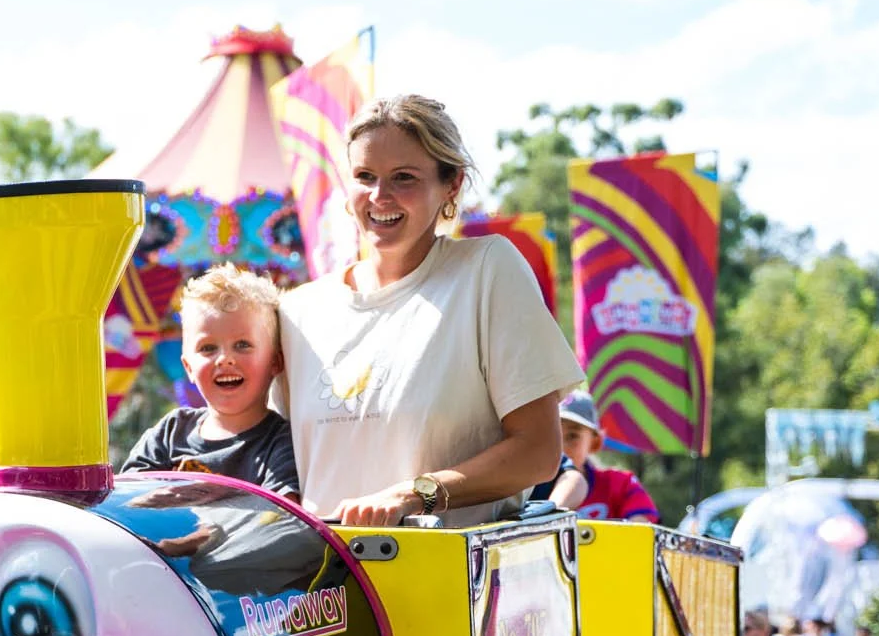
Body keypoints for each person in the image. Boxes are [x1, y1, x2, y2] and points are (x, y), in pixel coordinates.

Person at [276, 94, 583, 525]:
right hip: (318, 585)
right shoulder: (298, 310)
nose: (379, 196)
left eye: (404, 178)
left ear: (451, 184)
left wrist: (416, 493)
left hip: (450, 581)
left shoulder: (487, 270)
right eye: (365, 176)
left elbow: (538, 452)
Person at [121, 265, 299, 495]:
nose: (225, 359)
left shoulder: (280, 441)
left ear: (275, 362)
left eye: (242, 345)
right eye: (208, 348)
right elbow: (129, 500)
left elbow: (279, 518)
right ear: (189, 368)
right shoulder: (170, 433)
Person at [549, 391, 658, 521]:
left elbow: (643, 529)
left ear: (595, 443)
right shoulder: (527, 492)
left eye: (572, 436)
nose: (561, 447)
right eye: (551, 435)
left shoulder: (622, 484)